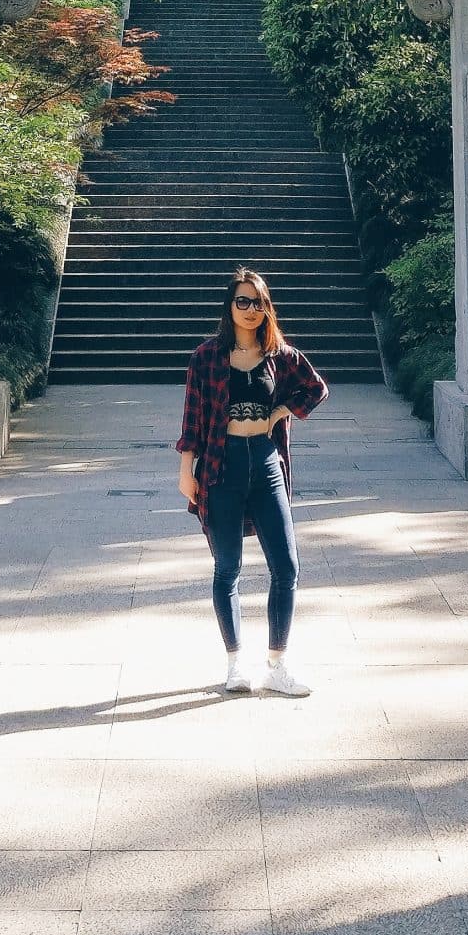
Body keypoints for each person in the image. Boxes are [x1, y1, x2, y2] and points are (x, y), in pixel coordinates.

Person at [176, 265, 328, 697]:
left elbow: (315, 389)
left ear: (266, 308)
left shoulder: (280, 355)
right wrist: (186, 469)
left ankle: (277, 664)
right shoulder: (206, 357)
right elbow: (192, 418)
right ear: (229, 306)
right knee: (228, 568)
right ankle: (235, 663)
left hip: (265, 462)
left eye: (258, 302)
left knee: (287, 565)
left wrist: (282, 412)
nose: (250, 309)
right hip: (220, 465)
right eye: (242, 301)